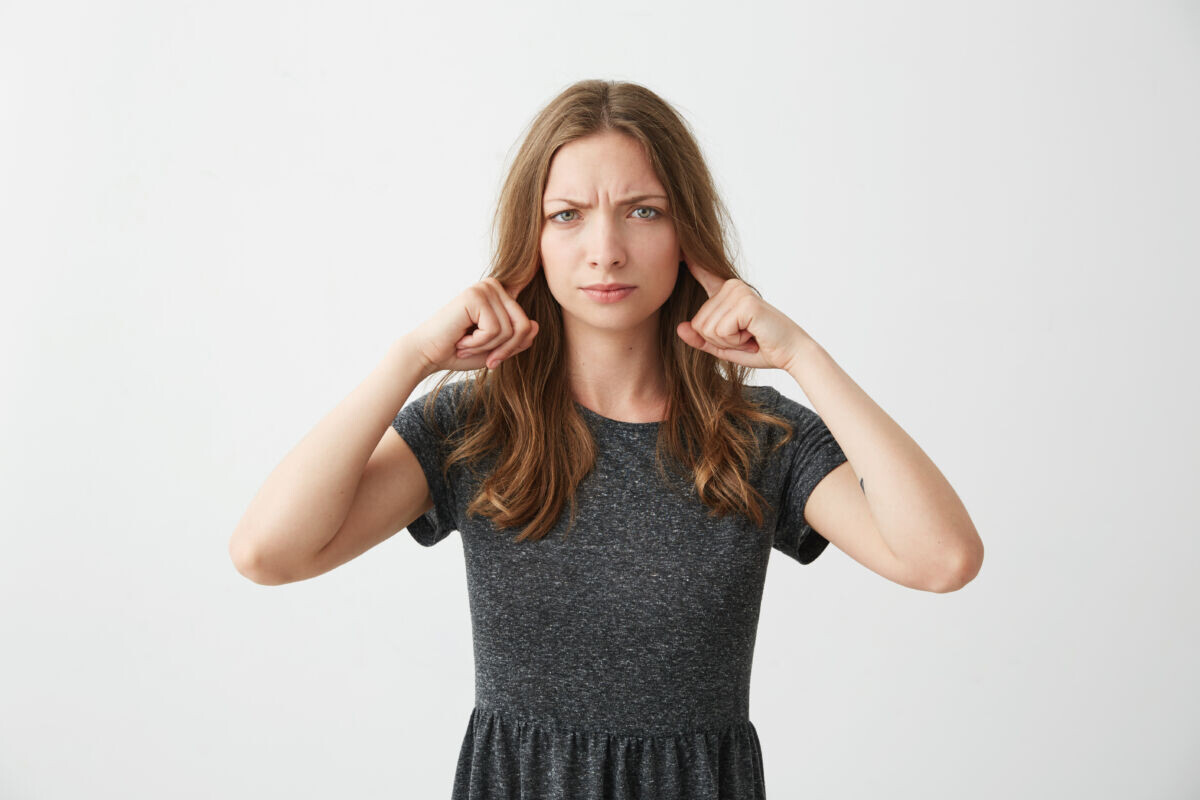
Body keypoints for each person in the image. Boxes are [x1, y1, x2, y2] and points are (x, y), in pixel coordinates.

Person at [229, 79, 984, 799]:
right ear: (532, 239)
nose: (606, 250)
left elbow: (942, 559)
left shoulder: (756, 438)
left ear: (687, 232)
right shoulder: (477, 426)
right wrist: (411, 359)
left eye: (643, 211)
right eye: (567, 215)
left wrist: (803, 356)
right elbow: (268, 553)